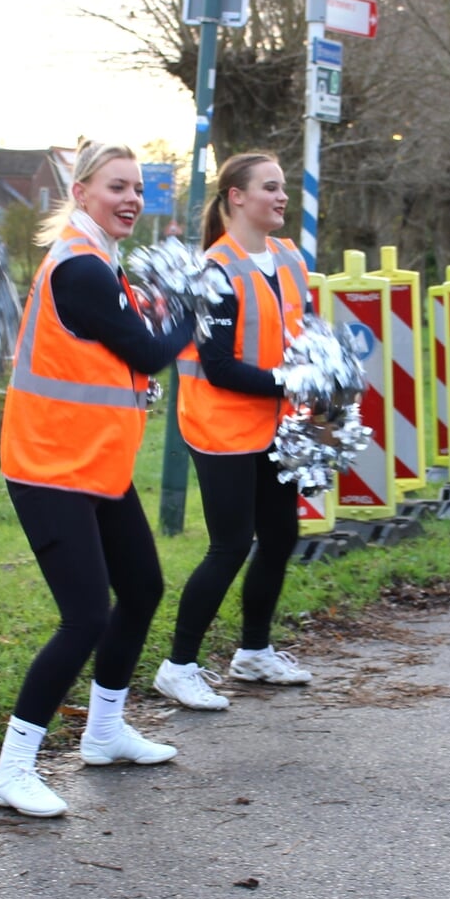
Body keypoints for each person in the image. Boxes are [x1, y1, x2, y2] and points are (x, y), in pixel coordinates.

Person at [0, 141, 196, 817]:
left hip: (91, 466)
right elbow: (146, 348)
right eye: (117, 187)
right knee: (84, 617)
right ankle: (13, 767)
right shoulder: (81, 269)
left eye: (137, 187)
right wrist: (190, 316)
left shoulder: (101, 263)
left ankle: (104, 731)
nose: (131, 198)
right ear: (80, 193)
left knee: (141, 586)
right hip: (49, 469)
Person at [153, 154, 313, 711]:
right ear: (236, 197)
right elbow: (218, 365)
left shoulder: (290, 257)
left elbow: (303, 331)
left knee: (280, 538)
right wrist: (292, 381)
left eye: (284, 187)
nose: (282, 196)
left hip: (275, 425)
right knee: (229, 546)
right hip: (220, 427)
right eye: (271, 187)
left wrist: (322, 375)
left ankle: (253, 652)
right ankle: (178, 666)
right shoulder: (214, 269)